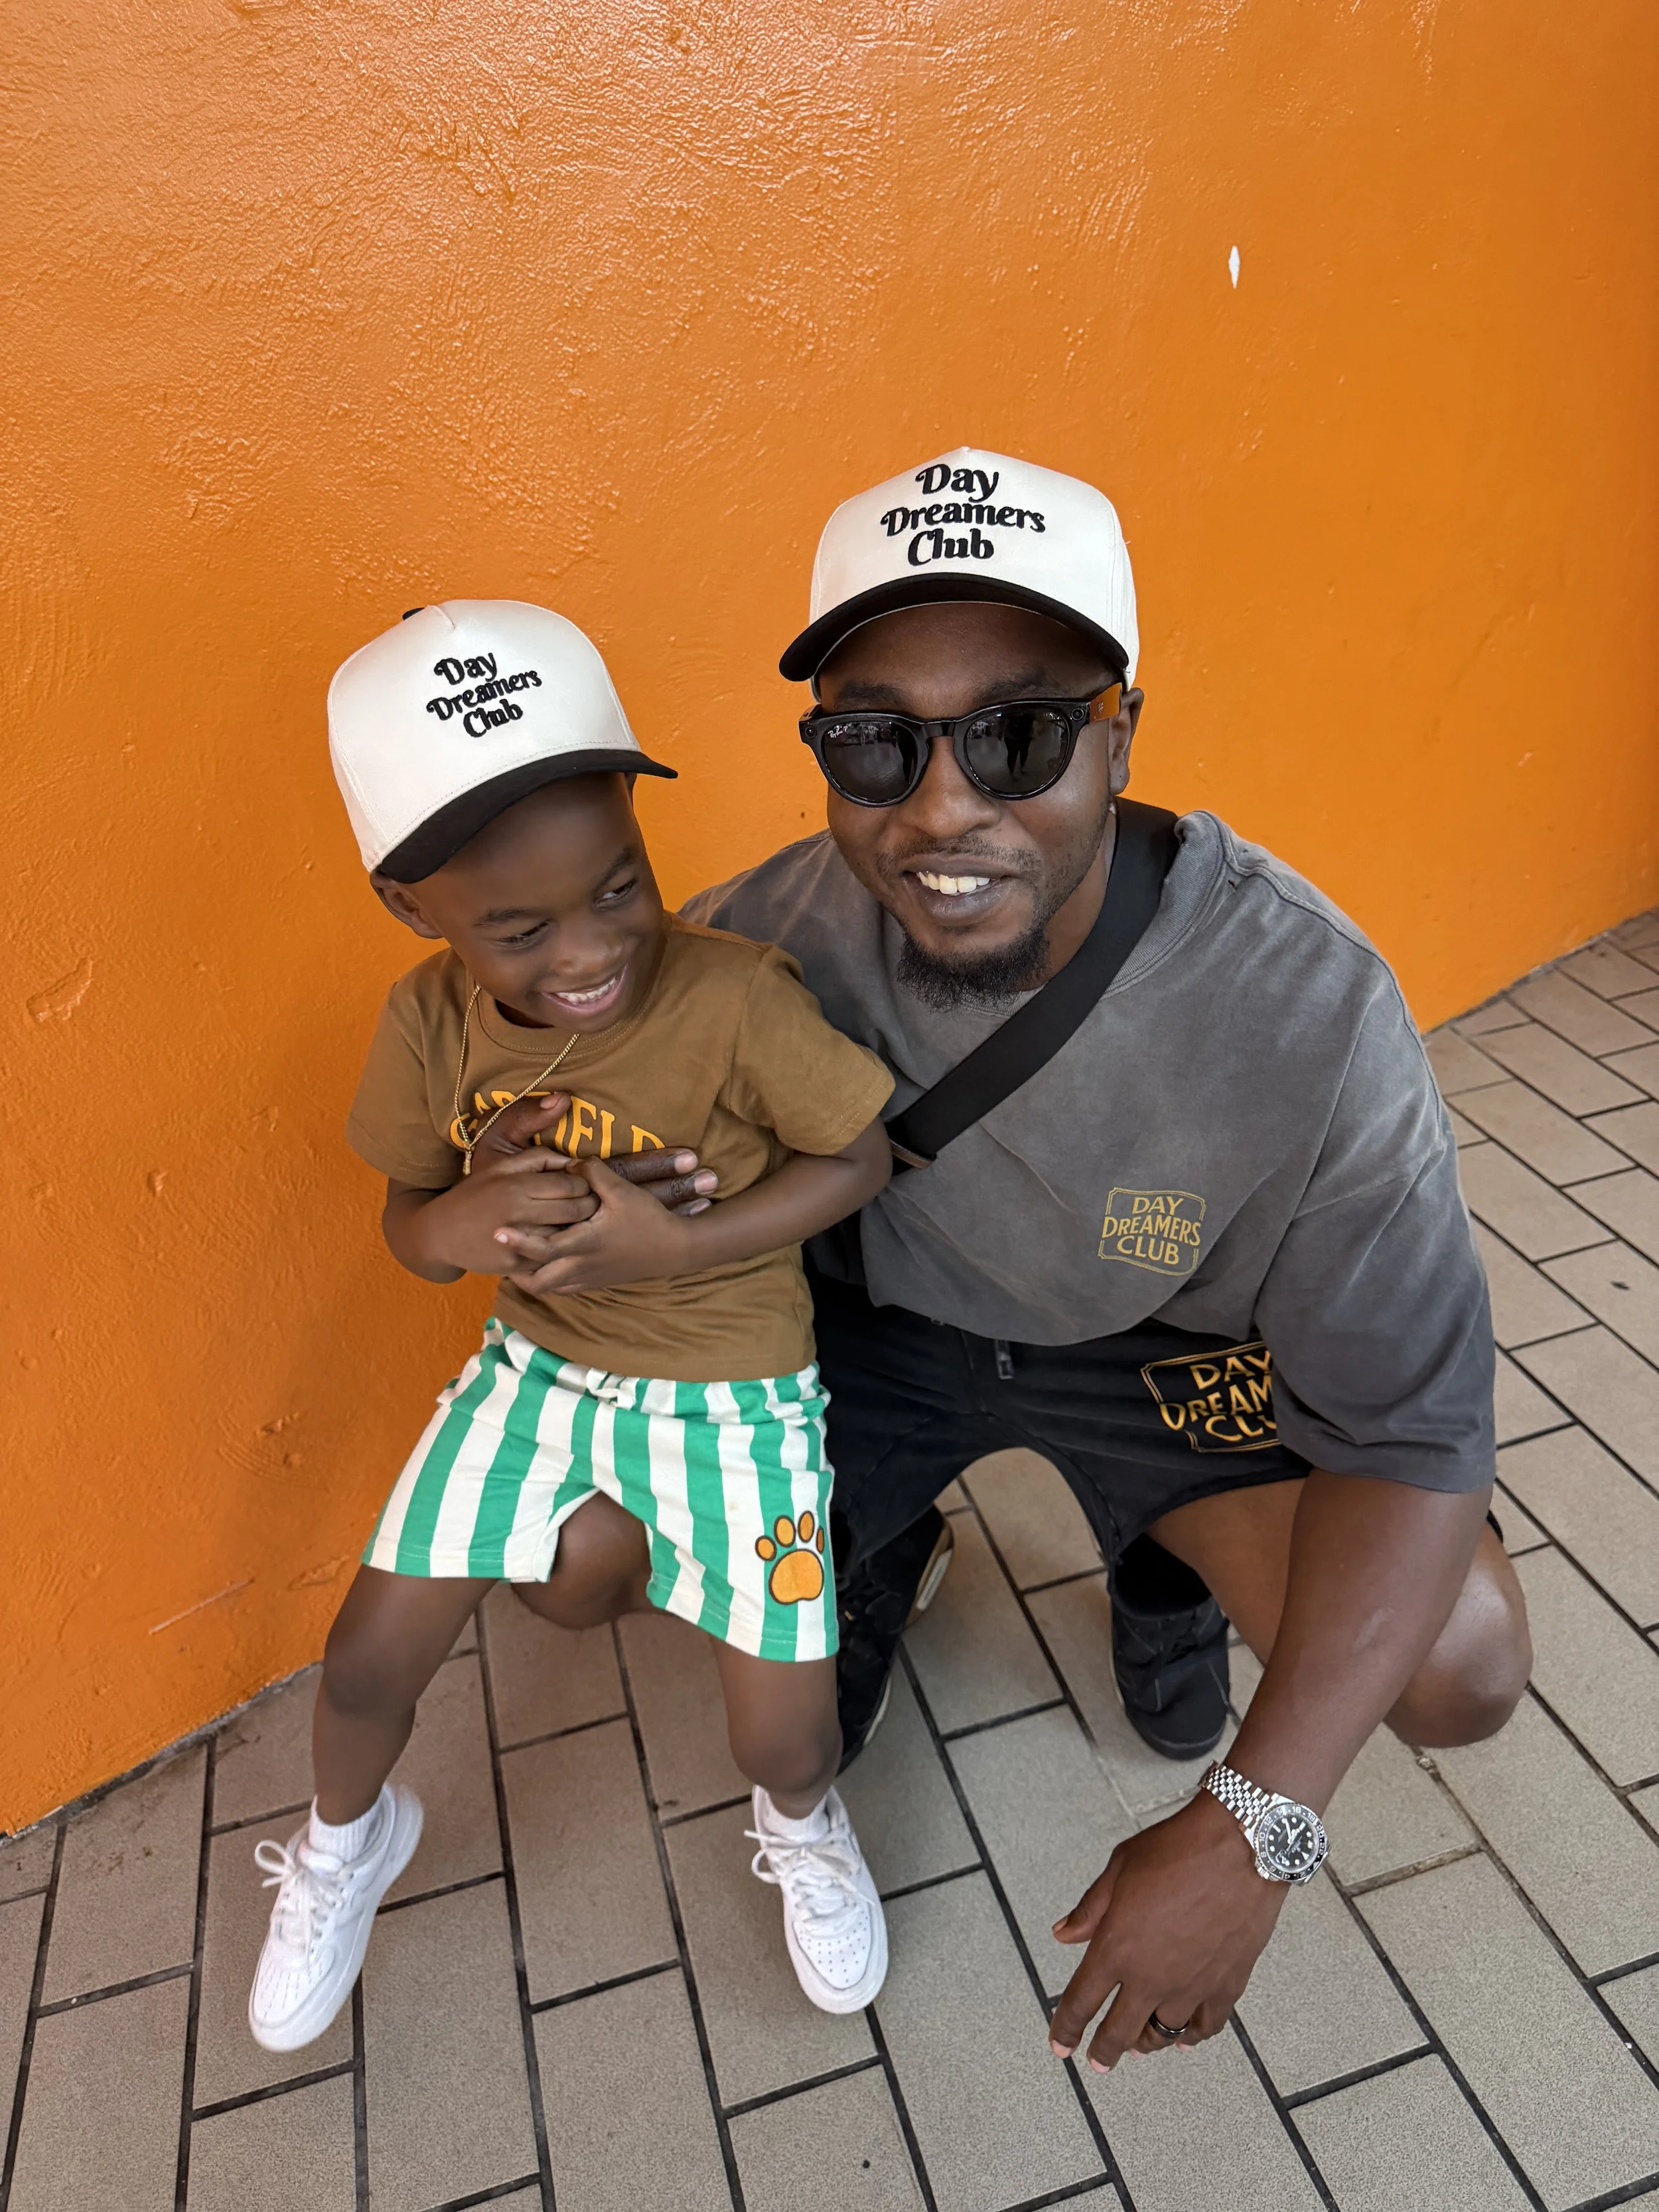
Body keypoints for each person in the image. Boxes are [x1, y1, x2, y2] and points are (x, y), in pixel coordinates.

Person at [677, 447, 1532, 2071]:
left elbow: (1413, 1442)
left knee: (1460, 1661)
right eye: (873, 740)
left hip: (1156, 1366)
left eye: (1018, 735)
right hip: (877, 1340)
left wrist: (1257, 1826)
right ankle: (883, 1541)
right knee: (604, 1530)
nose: (942, 807)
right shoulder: (752, 943)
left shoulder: (1303, 1003)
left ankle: (1158, 1553)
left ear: (1120, 734)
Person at [247, 599, 896, 2052]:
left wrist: (681, 1244)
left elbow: (859, 1157)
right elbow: (411, 1228)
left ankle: (801, 1825)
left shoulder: (734, 999)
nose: (591, 949)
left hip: (735, 1394)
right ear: (414, 908)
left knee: (787, 1730)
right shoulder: (429, 1024)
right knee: (367, 1654)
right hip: (532, 1374)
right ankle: (347, 1841)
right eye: (520, 928)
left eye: (619, 886)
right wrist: (458, 1221)